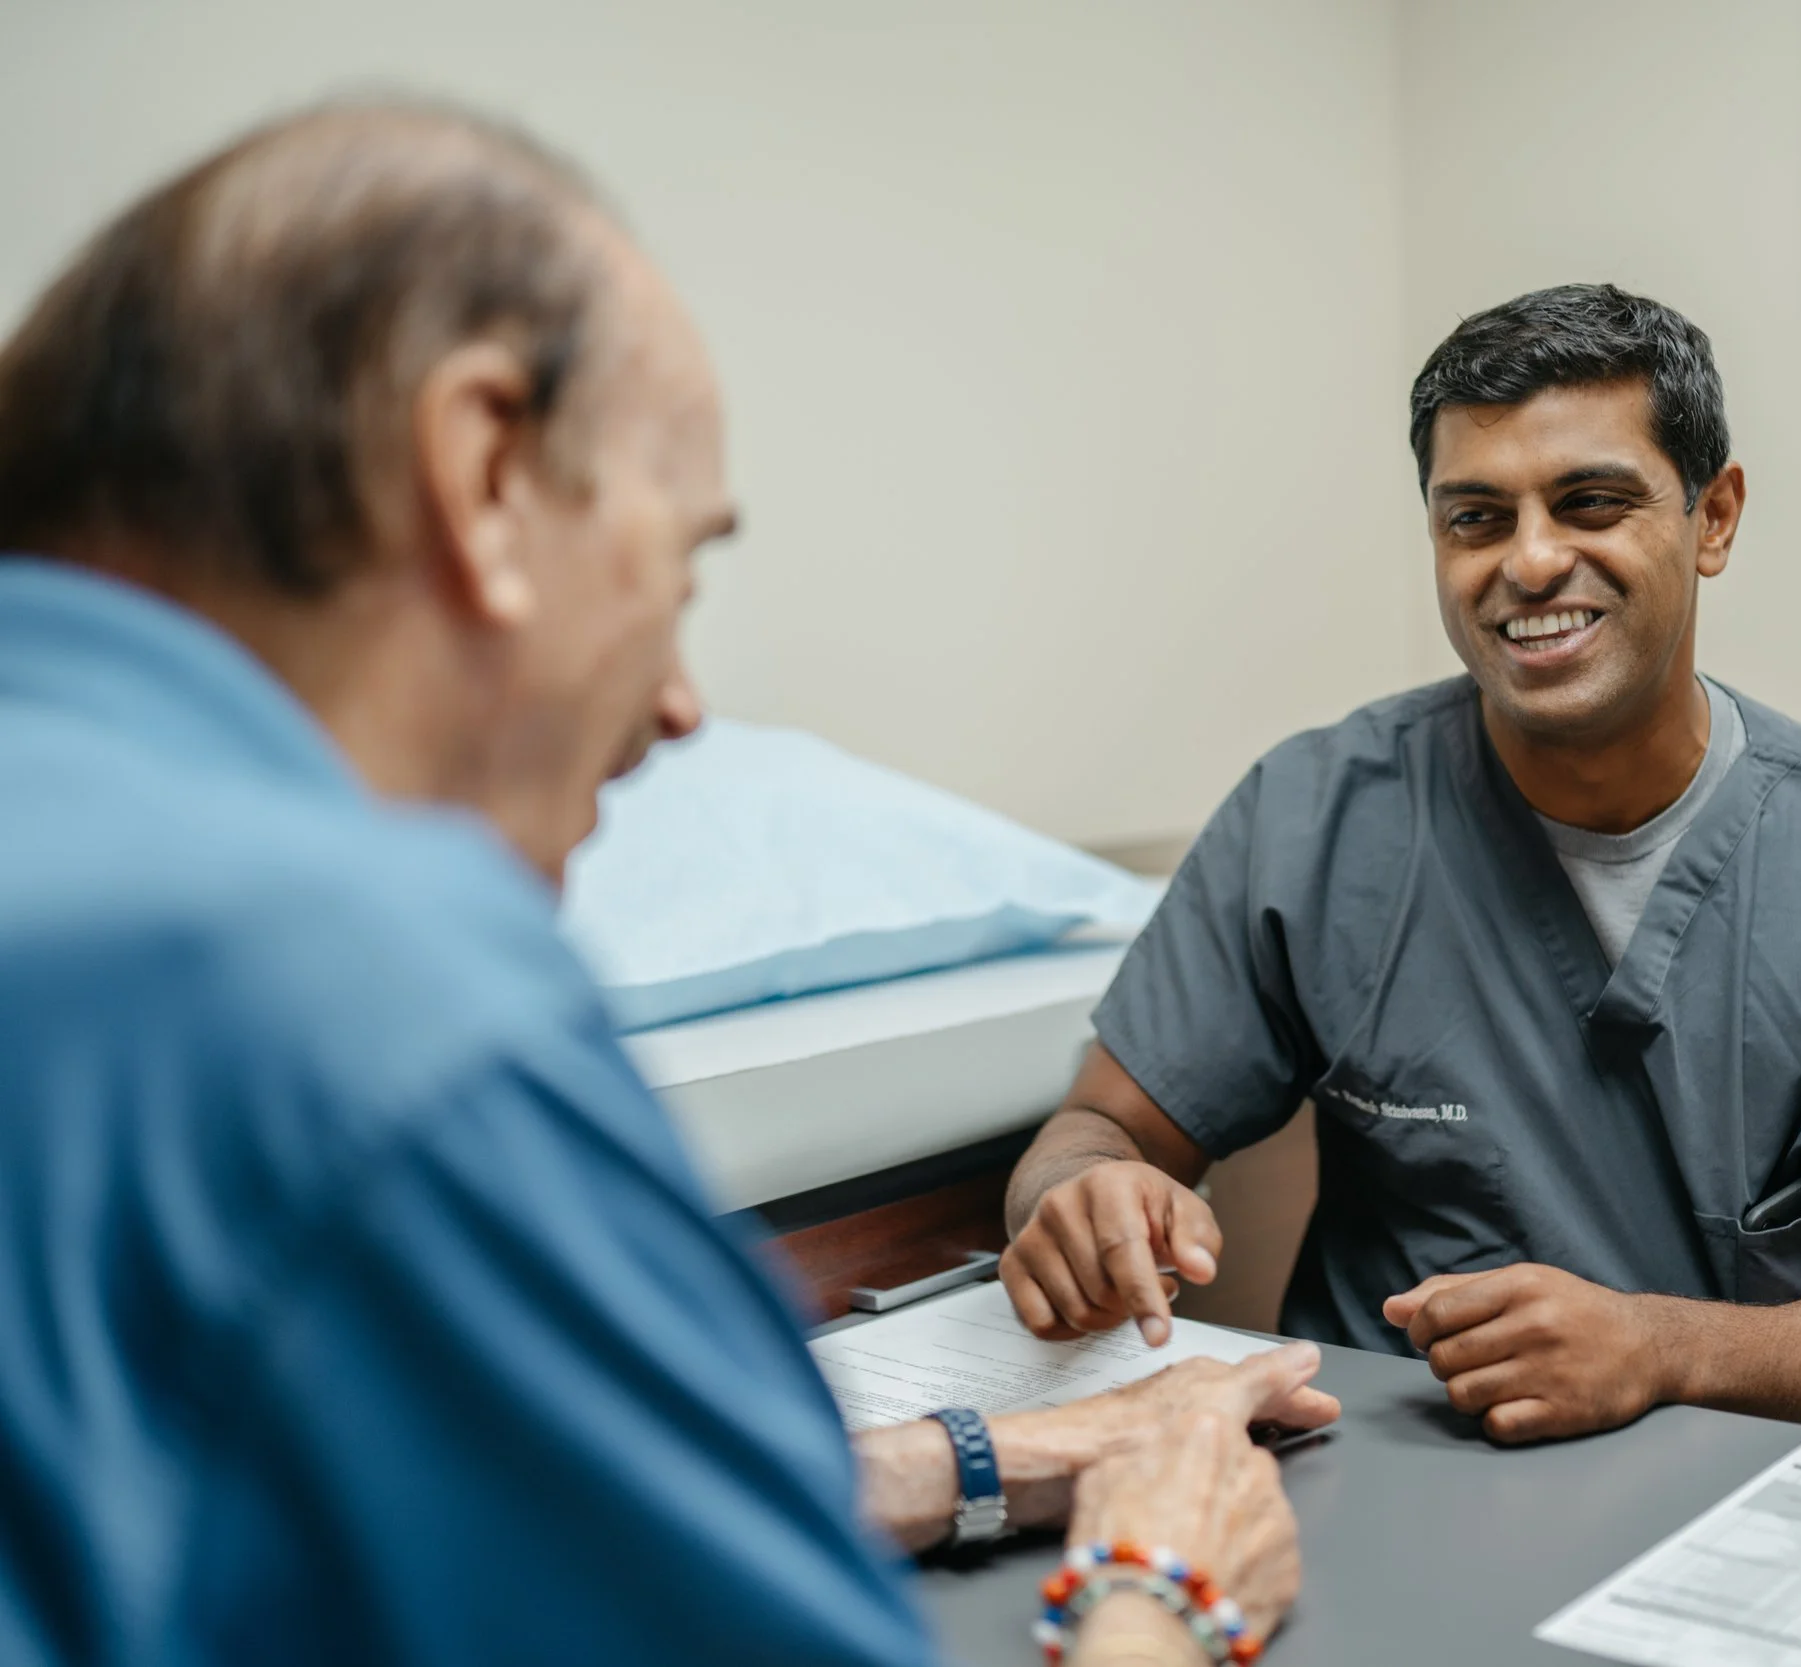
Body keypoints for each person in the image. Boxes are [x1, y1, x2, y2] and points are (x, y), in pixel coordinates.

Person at [0, 102, 1333, 1667]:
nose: (685, 703)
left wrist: (1000, 1453)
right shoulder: (378, 999)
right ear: (484, 466)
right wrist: (1169, 1586)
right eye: (678, 566)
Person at [1001, 283, 1801, 1455]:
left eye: (1589, 502)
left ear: (1713, 517)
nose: (1529, 562)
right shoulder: (1317, 819)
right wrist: (1078, 1195)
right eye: (1475, 518)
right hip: (1411, 1463)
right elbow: (1097, 1128)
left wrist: (1663, 1347)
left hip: (1760, 1469)